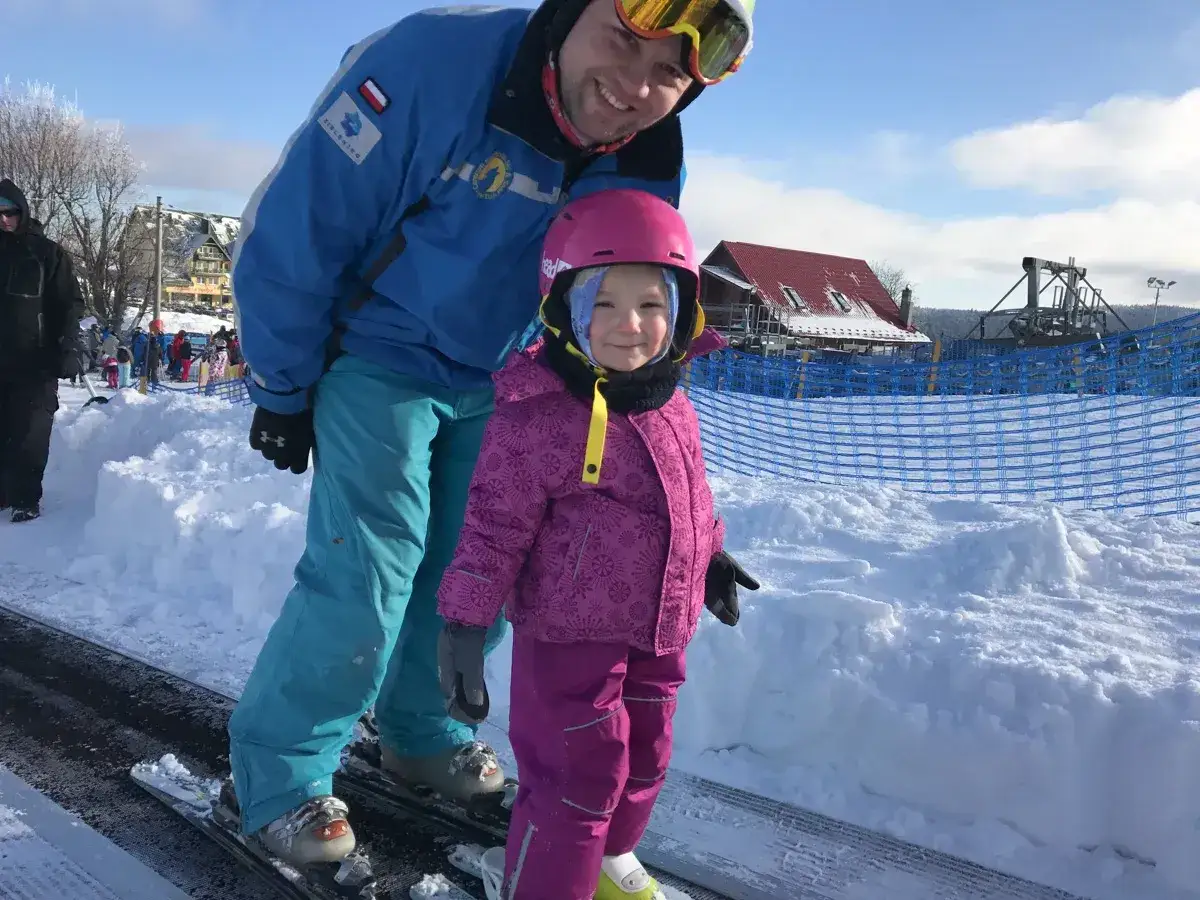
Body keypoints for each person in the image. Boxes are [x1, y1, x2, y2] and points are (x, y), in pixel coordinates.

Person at [227, 0, 756, 869]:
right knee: (372, 566)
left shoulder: (648, 157)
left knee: (482, 563)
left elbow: (619, 314)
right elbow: (302, 220)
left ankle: (422, 732)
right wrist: (281, 384)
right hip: (378, 351)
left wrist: (680, 508)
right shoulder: (433, 66)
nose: (634, 87)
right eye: (624, 41)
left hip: (513, 379)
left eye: (669, 73)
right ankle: (277, 778)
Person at [435, 189, 758, 900]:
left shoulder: (672, 397)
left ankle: (605, 858)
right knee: (576, 775)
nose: (627, 326)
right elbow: (493, 527)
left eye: (649, 305)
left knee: (644, 760)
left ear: (680, 311)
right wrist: (463, 621)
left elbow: (690, 493)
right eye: (602, 304)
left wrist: (710, 554)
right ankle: (545, 884)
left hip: (659, 628)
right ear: (564, 308)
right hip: (569, 635)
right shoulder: (538, 414)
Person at [0, 179, 85, 523]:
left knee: (29, 433)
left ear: (22, 212)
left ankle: (25, 498)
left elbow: (68, 304)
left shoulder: (47, 253)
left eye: (10, 212)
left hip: (35, 361)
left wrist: (68, 346)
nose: (4, 219)